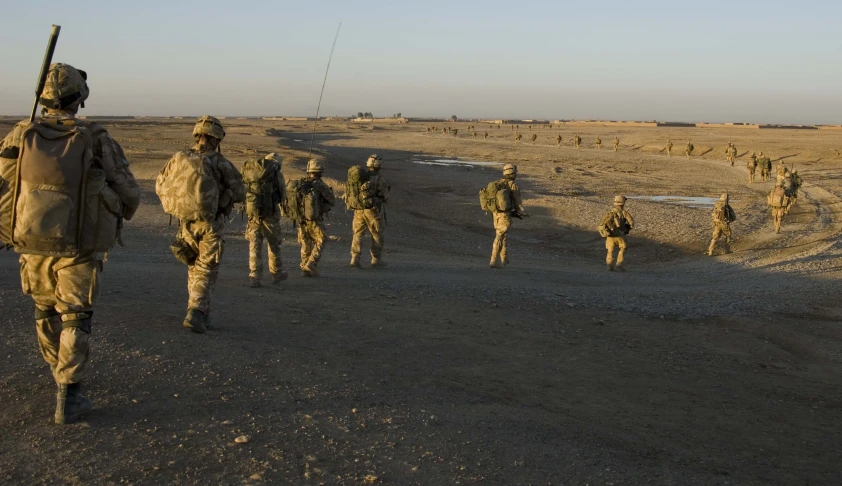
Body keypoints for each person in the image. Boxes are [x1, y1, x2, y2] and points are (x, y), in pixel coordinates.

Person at [0, 63, 140, 424]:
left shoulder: (20, 134)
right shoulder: (95, 137)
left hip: (31, 240)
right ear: (79, 99)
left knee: (45, 309)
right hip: (79, 245)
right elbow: (128, 191)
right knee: (75, 314)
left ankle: (56, 370)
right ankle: (69, 393)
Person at [157, 116, 245, 334]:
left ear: (197, 135)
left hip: (185, 224)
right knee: (206, 268)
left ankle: (199, 312)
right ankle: (196, 312)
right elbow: (241, 192)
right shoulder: (220, 162)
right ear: (216, 138)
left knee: (194, 267)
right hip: (211, 225)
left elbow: (160, 184)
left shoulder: (178, 158)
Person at [242, 153, 287, 288]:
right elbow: (282, 195)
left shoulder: (251, 173)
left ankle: (254, 277)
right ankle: (276, 273)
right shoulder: (276, 174)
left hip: (253, 214)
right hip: (270, 215)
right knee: (274, 245)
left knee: (254, 245)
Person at [295, 159, 335, 276]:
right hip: (314, 219)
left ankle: (305, 268)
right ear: (320, 171)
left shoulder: (301, 183)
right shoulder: (319, 184)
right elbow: (331, 199)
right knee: (322, 239)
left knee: (305, 243)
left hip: (301, 219)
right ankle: (311, 264)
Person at [351, 154, 390, 268]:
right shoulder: (379, 178)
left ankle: (354, 258)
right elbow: (385, 196)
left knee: (358, 234)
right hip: (372, 210)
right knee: (377, 234)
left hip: (359, 210)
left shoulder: (361, 177)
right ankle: (376, 259)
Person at [487, 164, 526, 269]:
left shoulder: (499, 183)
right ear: (512, 174)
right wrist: (522, 211)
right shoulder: (512, 185)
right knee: (499, 237)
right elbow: (518, 201)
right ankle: (493, 261)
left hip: (495, 214)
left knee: (503, 236)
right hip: (504, 214)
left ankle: (504, 260)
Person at [599, 196, 634, 271]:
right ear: (623, 203)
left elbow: (603, 223)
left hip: (610, 236)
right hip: (620, 236)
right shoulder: (624, 213)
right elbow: (631, 223)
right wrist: (626, 230)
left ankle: (609, 265)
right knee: (623, 248)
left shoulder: (610, 213)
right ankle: (619, 263)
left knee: (610, 250)